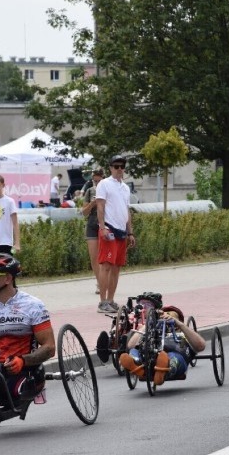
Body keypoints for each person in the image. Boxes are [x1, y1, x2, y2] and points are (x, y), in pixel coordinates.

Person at [0, 253, 55, 403]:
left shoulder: (33, 305)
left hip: (26, 369)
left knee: (11, 393)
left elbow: (49, 347)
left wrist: (23, 361)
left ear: (8, 278)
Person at [119, 305, 206, 386]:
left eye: (171, 314)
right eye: (164, 314)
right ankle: (137, 366)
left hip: (176, 356)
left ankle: (163, 369)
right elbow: (131, 345)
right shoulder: (152, 334)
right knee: (134, 351)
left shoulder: (183, 334)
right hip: (150, 358)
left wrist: (179, 324)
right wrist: (149, 323)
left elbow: (201, 346)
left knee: (172, 358)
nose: (166, 316)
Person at [95, 155, 136, 313]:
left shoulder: (125, 188)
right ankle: (102, 302)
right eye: (116, 166)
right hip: (109, 228)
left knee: (117, 267)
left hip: (121, 231)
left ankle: (111, 300)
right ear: (110, 168)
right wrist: (102, 226)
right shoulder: (104, 184)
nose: (119, 169)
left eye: (122, 166)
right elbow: (100, 207)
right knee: (106, 265)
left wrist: (130, 232)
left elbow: (126, 211)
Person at [81, 168, 104, 295]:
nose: (96, 183)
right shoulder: (89, 191)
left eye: (99, 180)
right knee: (94, 257)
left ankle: (104, 281)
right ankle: (100, 282)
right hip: (91, 224)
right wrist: (92, 204)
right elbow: (84, 212)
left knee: (104, 257)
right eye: (94, 181)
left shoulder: (107, 190)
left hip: (105, 224)